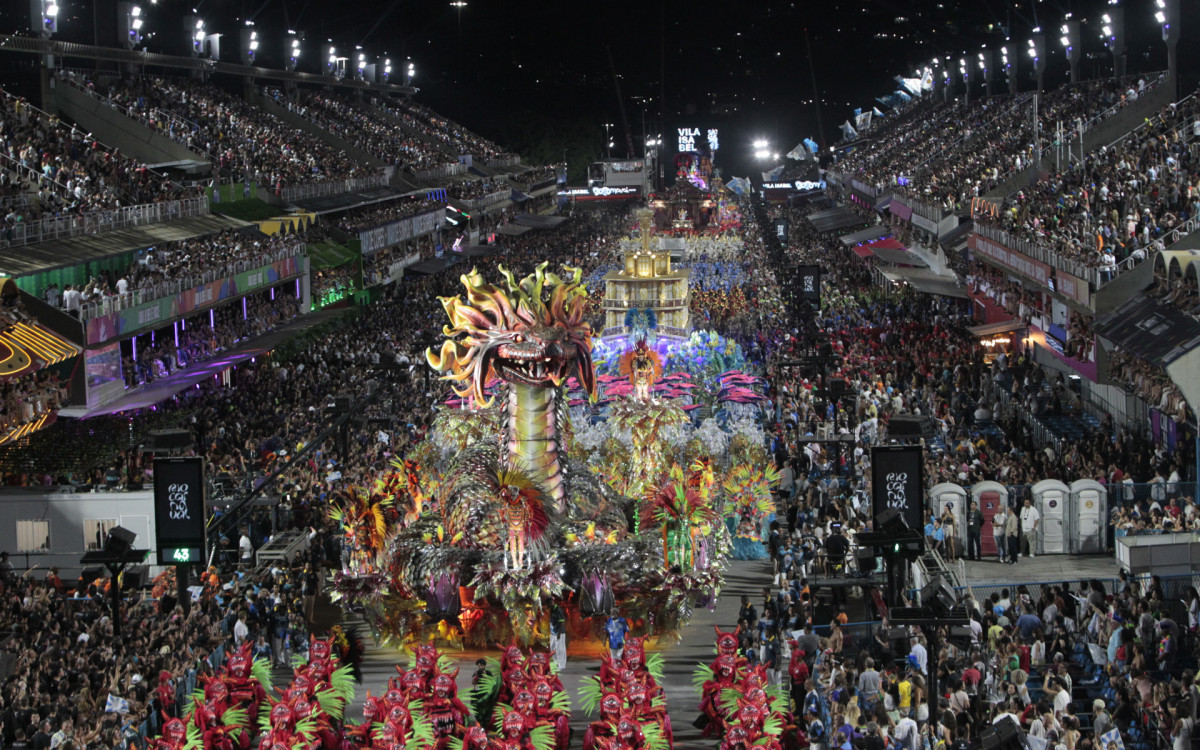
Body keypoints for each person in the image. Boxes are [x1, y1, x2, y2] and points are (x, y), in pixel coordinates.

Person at [549, 601, 567, 672]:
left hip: (560, 632)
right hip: (553, 632)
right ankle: (556, 663)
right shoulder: (552, 609)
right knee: (552, 647)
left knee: (560, 649)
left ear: (551, 603)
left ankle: (561, 665)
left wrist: (559, 633)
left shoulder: (558, 609)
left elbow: (562, 622)